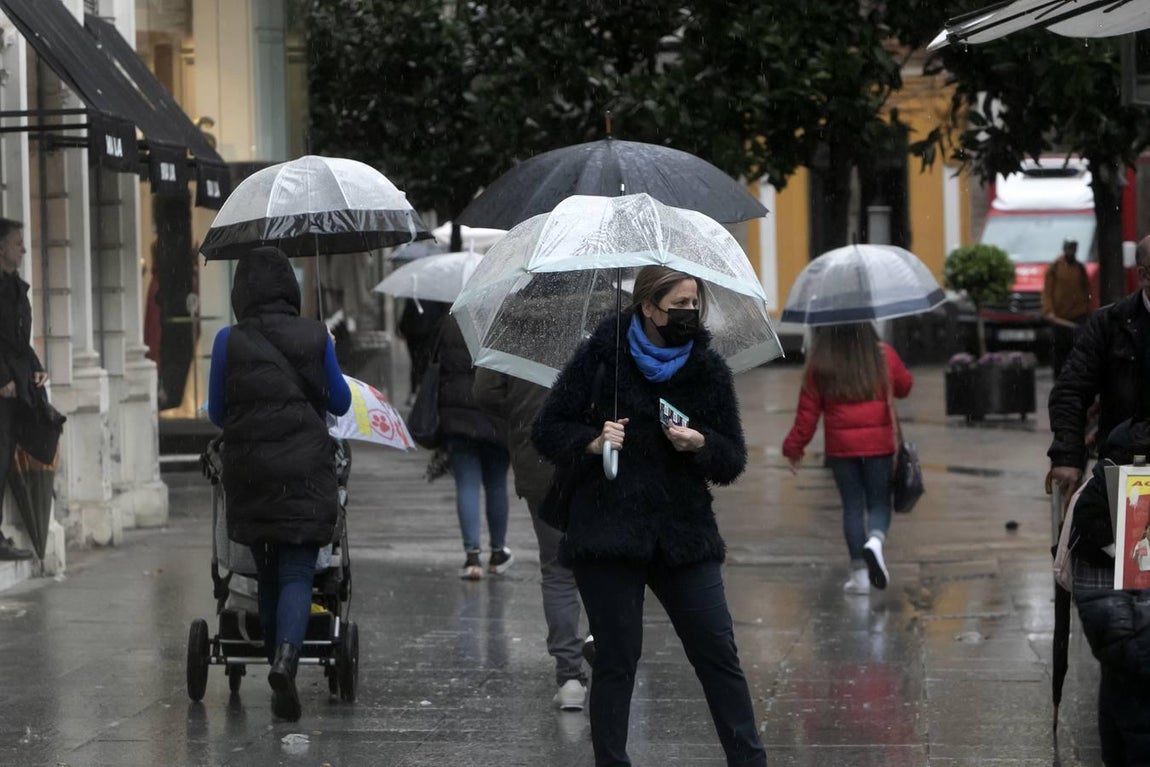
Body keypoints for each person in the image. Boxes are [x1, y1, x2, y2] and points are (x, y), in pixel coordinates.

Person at [532, 266, 768, 767]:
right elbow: (547, 429)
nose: (688, 315)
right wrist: (593, 442)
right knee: (617, 662)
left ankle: (750, 761)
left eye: (693, 304)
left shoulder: (706, 368)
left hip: (683, 534)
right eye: (678, 305)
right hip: (608, 531)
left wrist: (700, 442)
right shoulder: (601, 357)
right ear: (648, 307)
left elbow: (732, 460)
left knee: (718, 654)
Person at [207, 246, 351, 722]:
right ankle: (287, 661)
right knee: (296, 572)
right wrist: (325, 345)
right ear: (287, 286)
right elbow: (341, 401)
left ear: (241, 291)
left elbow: (216, 412)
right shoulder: (313, 335)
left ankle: (276, 667)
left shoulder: (228, 341)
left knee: (267, 573)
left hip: (250, 471)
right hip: (305, 471)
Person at [473, 367, 589, 710]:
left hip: (539, 456)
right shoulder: (603, 322)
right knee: (603, 561)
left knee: (558, 568)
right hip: (594, 456)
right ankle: (604, 646)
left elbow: (484, 392)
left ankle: (569, 677)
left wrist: (524, 407)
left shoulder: (514, 322)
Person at [781, 322, 913, 595]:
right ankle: (875, 541)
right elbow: (904, 387)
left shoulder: (821, 362)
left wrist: (794, 448)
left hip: (841, 450)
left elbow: (807, 416)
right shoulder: (883, 354)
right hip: (879, 447)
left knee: (852, 506)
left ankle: (860, 576)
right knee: (878, 503)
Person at [1060, 418, 1150, 764]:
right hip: (1121, 609)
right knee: (1132, 697)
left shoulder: (1104, 478)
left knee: (1119, 690)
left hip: (1111, 610)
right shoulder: (1112, 487)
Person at [1048, 234, 1150, 501]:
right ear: (1144, 275)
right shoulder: (1110, 324)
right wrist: (1068, 456)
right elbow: (1071, 390)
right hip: (1128, 464)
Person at [436, 313, 512, 580]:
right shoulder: (504, 320)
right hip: (495, 417)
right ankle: (497, 552)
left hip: (458, 417)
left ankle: (472, 557)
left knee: (466, 485)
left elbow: (437, 365)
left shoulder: (452, 321)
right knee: (496, 484)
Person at [0, 218, 43, 561]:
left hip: (17, 390)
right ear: (1, 248)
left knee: (4, 459)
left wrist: (36, 372)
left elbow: (20, 344)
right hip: (4, 390)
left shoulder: (16, 287)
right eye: (18, 243)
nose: (24, 249)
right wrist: (3, 378)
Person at [1042, 238, 1092, 380]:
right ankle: (1059, 380)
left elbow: (1086, 291)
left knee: (1077, 351)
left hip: (1078, 317)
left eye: (1073, 249)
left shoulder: (1080, 268)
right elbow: (1047, 291)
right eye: (1069, 248)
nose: (1071, 251)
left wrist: (1088, 313)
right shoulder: (1055, 267)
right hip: (1060, 318)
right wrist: (1049, 311)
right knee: (1059, 353)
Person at [398, 298, 449, 403]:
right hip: (430, 334)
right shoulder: (438, 299)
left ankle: (415, 391)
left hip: (414, 334)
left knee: (416, 363)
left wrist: (402, 329)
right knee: (427, 363)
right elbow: (443, 316)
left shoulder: (414, 297)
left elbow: (406, 316)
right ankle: (425, 390)